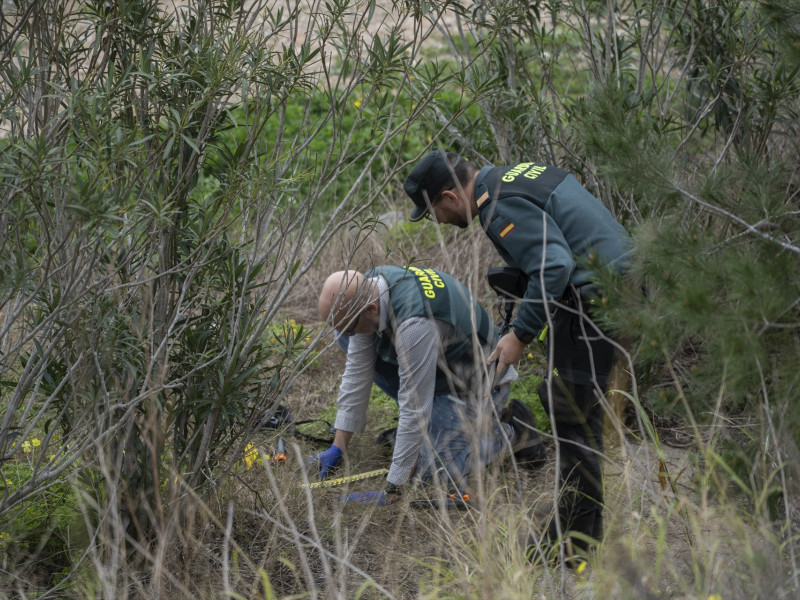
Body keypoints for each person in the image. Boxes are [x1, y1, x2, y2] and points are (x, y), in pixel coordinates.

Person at [403, 150, 632, 554]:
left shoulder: (497, 205)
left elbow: (554, 266)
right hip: (618, 290)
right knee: (580, 419)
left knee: (574, 420)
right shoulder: (512, 179)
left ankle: (572, 545)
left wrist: (521, 335)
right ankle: (579, 529)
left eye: (433, 211)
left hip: (599, 300)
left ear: (450, 197)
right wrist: (514, 324)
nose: (439, 222)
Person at [308, 266, 543, 505]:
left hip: (476, 387)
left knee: (433, 472)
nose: (347, 333)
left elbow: (414, 406)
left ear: (370, 309)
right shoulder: (370, 286)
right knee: (349, 339)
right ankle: (428, 434)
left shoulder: (415, 325)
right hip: (440, 371)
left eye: (348, 326)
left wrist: (394, 488)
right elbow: (357, 371)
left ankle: (513, 434)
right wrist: (339, 447)